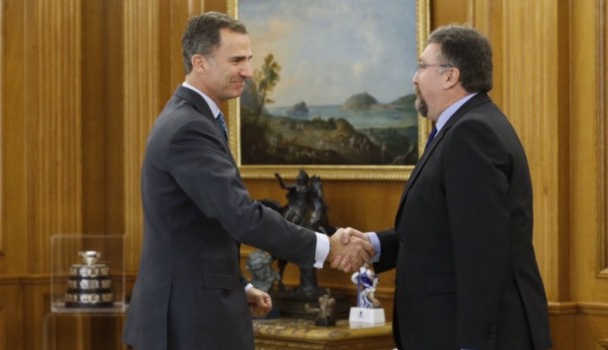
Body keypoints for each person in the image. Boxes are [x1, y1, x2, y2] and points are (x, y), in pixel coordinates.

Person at [122, 12, 372, 350]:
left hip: (196, 312)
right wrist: (327, 247)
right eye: (237, 60)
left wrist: (238, 287)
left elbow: (198, 229)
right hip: (185, 323)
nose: (249, 72)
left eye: (249, 60)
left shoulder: (195, 119)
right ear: (200, 63)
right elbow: (240, 215)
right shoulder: (188, 128)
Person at [332, 25, 552, 350]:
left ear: (450, 76)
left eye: (422, 66)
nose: (414, 78)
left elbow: (482, 251)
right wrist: (374, 244)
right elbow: (442, 230)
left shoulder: (472, 133)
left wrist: (472, 344)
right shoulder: (461, 128)